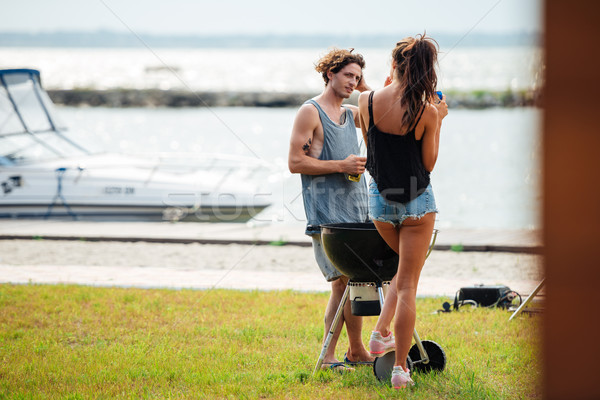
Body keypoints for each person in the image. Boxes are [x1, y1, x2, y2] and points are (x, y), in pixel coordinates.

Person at [357, 34, 448, 388]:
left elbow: (374, 152)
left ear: (393, 64)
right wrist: (438, 120)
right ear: (427, 70)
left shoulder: (364, 100)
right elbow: (428, 163)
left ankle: (380, 333)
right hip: (417, 205)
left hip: (380, 204)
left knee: (403, 271)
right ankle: (399, 370)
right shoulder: (426, 110)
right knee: (409, 281)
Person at [288, 48, 374, 372]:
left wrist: (367, 87)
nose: (353, 82)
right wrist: (342, 165)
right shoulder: (310, 112)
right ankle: (327, 358)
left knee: (355, 283)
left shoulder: (352, 114)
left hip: (357, 213)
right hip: (328, 218)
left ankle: (356, 351)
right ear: (330, 74)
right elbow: (295, 162)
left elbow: (379, 106)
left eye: (357, 77)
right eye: (348, 75)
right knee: (342, 283)